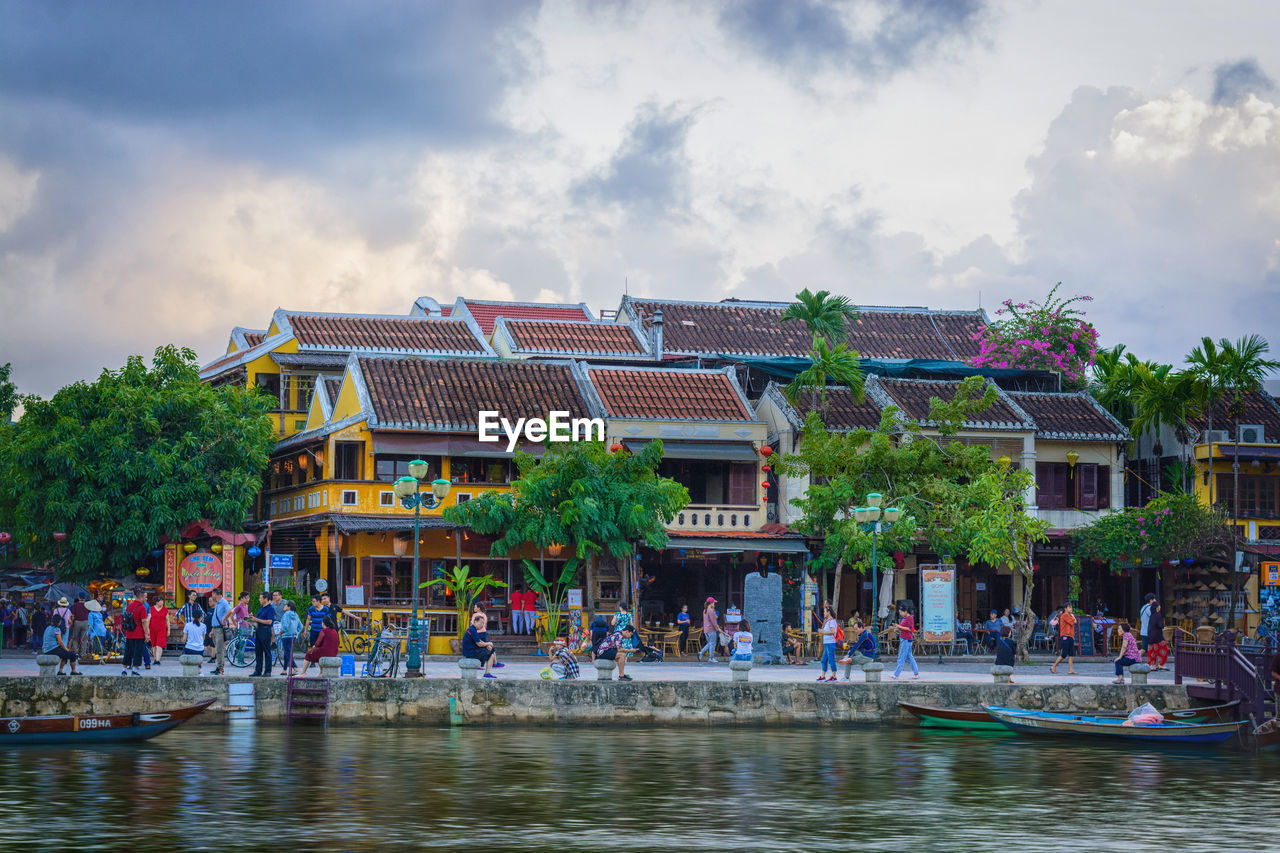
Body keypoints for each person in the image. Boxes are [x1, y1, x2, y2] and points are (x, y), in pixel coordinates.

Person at [248, 592, 276, 677]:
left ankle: (268, 671)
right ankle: (258, 670)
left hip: (265, 631)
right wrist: (253, 618)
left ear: (266, 599)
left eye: (261, 598)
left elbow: (269, 621)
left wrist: (256, 619)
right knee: (258, 651)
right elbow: (259, 619)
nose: (259, 600)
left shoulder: (270, 608)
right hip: (259, 630)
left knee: (267, 652)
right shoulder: (261, 607)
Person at [462, 612, 499, 678]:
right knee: (491, 652)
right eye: (481, 623)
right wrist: (488, 643)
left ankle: (487, 671)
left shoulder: (473, 629)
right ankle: (487, 673)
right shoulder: (472, 630)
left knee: (490, 650)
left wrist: (486, 645)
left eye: (483, 623)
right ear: (475, 622)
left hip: (473, 650)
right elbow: (479, 644)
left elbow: (479, 640)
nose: (482, 625)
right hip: (470, 652)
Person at [122, 588, 149, 676]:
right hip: (139, 634)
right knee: (137, 652)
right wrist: (147, 634)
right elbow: (144, 622)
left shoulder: (129, 606)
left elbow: (125, 619)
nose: (146, 599)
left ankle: (124, 670)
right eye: (145, 597)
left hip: (129, 634)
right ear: (140, 598)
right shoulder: (142, 608)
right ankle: (134, 670)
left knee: (128, 652)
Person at [891, 603, 920, 679]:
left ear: (905, 611)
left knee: (901, 657)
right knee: (909, 657)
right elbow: (904, 628)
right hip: (905, 639)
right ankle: (916, 673)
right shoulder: (905, 618)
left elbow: (910, 629)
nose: (900, 613)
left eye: (901, 612)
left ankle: (896, 674)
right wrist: (897, 627)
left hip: (906, 639)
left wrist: (898, 626)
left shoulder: (910, 618)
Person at [207, 588, 232, 675]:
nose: (211, 596)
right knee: (218, 649)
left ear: (215, 594)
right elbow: (215, 617)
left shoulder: (223, 602)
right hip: (215, 629)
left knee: (219, 649)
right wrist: (212, 630)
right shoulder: (217, 603)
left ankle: (220, 668)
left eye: (212, 594)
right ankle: (218, 667)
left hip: (220, 629)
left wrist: (224, 619)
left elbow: (230, 610)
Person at [1050, 603, 1078, 675]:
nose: (1071, 609)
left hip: (1071, 636)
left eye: (1071, 607)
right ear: (1065, 609)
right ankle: (1054, 666)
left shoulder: (1069, 615)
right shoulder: (1065, 615)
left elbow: (1074, 621)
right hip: (1065, 636)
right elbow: (1074, 621)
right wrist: (1072, 615)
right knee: (1064, 654)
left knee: (1071, 654)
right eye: (1069, 608)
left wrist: (1072, 615)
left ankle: (1070, 670)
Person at [280, 601, 303, 676]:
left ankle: (295, 667)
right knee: (287, 652)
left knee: (287, 653)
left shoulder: (286, 614)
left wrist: (280, 632)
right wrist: (296, 632)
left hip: (286, 636)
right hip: (293, 636)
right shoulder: (296, 614)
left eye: (285, 605)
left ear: (289, 607)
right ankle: (284, 670)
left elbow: (285, 626)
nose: (284, 606)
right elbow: (301, 626)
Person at [1145, 601, 1169, 671]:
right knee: (1164, 650)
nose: (1160, 607)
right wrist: (1163, 626)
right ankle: (1161, 665)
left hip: (1151, 635)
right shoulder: (1158, 615)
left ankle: (1151, 666)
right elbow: (1159, 625)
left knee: (1152, 651)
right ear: (1157, 607)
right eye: (1159, 606)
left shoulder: (1152, 615)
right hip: (1157, 636)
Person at [148, 594, 170, 666]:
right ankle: (155, 659)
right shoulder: (151, 609)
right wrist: (147, 630)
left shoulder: (165, 609)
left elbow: (167, 620)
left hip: (162, 629)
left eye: (162, 601)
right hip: (152, 629)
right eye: (160, 601)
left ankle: (158, 660)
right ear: (156, 602)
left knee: (159, 645)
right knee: (154, 645)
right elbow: (148, 620)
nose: (162, 603)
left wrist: (168, 630)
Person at [818, 605, 839, 681]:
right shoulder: (827, 621)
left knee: (831, 659)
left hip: (830, 643)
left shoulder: (832, 621)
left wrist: (822, 632)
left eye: (824, 611)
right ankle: (823, 675)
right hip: (827, 643)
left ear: (828, 612)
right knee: (824, 659)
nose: (823, 613)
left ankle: (834, 676)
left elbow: (833, 631)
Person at [699, 596, 721, 662]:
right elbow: (713, 621)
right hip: (711, 629)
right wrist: (717, 628)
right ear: (710, 603)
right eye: (713, 603)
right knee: (713, 643)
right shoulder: (710, 611)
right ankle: (711, 658)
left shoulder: (704, 610)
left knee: (710, 643)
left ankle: (701, 653)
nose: (714, 604)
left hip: (706, 629)